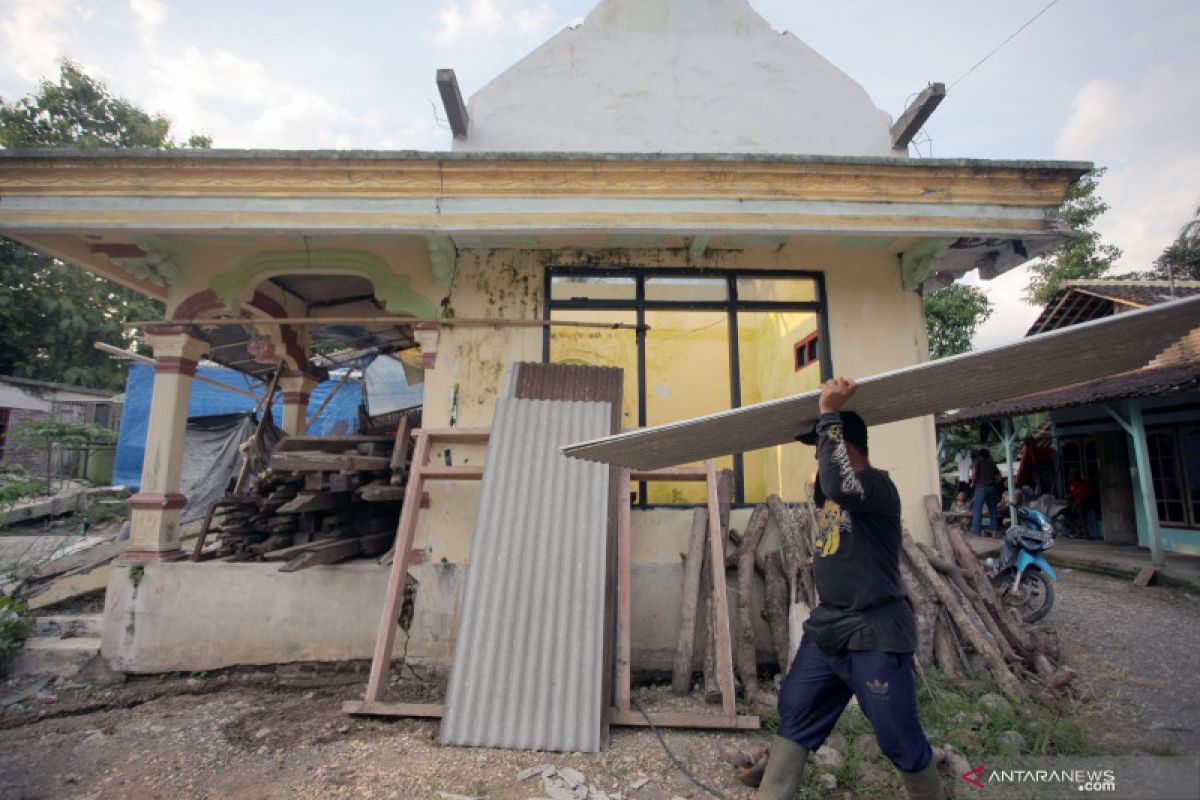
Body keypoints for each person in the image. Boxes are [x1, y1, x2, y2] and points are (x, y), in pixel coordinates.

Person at [755, 377, 943, 800]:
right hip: (829, 630)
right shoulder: (834, 492)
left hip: (874, 630)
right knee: (795, 713)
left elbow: (841, 481)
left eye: (821, 449)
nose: (817, 459)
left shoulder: (876, 487)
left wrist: (829, 413)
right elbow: (831, 484)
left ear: (843, 445)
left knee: (898, 737)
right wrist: (824, 427)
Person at [970, 449, 1001, 537]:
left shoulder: (977, 462)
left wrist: (973, 483)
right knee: (993, 509)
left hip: (981, 487)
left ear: (980, 455)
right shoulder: (992, 463)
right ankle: (994, 528)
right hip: (991, 487)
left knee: (977, 510)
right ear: (988, 455)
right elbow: (999, 476)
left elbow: (975, 472)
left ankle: (976, 532)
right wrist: (994, 483)